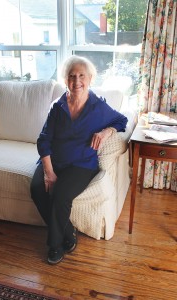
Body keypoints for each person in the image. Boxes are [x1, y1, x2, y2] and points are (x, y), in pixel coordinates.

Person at [30, 55, 128, 265]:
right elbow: (44, 139)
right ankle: (68, 232)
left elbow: (122, 120)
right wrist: (49, 172)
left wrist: (106, 132)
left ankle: (55, 245)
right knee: (37, 188)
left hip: (81, 164)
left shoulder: (97, 107)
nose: (77, 81)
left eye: (81, 76)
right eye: (72, 76)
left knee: (60, 195)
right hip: (54, 160)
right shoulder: (58, 107)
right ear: (66, 80)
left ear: (90, 78)